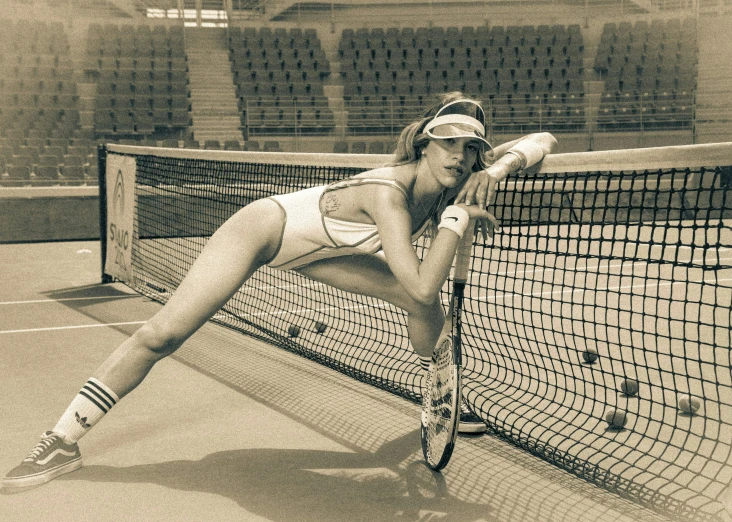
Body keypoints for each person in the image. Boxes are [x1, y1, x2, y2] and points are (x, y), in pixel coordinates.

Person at [3, 92, 557, 489]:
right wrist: (459, 217)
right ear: (425, 143)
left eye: (471, 148)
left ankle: (442, 392)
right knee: (162, 334)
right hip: (260, 231)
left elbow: (544, 139)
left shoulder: (450, 180)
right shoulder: (391, 193)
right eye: (448, 143)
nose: (458, 156)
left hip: (324, 251)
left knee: (422, 306)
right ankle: (60, 439)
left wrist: (504, 164)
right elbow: (418, 277)